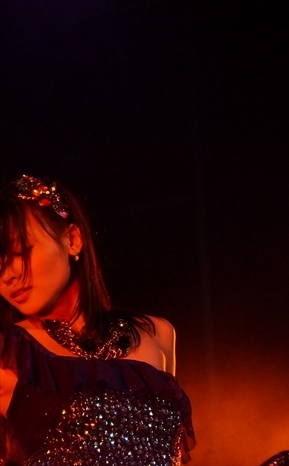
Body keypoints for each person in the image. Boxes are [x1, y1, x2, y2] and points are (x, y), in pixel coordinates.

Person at [0, 175, 195, 465]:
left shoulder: (157, 333)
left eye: (20, 252)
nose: (8, 275)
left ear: (72, 240)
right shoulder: (9, 355)